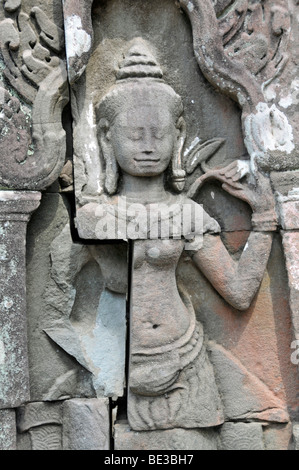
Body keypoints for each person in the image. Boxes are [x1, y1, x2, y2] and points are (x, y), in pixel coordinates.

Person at [77, 39, 277, 431]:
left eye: (159, 134)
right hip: (112, 364)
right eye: (135, 136)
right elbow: (55, 300)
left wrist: (266, 218)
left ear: (178, 136)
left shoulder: (186, 214)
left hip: (185, 357)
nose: (149, 147)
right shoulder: (94, 217)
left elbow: (237, 291)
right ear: (106, 138)